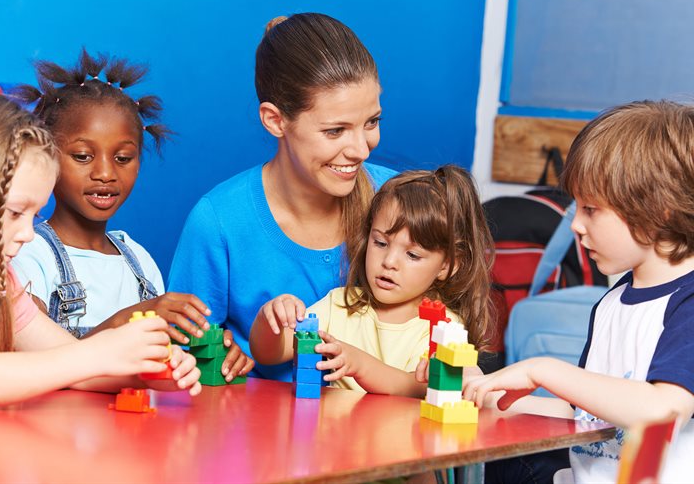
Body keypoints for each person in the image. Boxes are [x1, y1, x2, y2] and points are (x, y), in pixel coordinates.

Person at [464, 100, 694, 483]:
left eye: (590, 209)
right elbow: (587, 415)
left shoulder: (686, 304)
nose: (576, 225)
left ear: (659, 211)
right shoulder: (613, 302)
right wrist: (490, 394)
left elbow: (662, 413)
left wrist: (544, 369)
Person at [168, 13, 397, 381]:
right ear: (275, 121)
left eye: (371, 122)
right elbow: (180, 360)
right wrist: (214, 358)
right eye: (335, 130)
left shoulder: (399, 199)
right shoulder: (219, 221)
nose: (361, 149)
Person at [11, 49, 250, 382]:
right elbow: (46, 364)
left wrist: (202, 351)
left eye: (123, 158)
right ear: (47, 156)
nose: (106, 173)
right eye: (82, 156)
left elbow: (158, 359)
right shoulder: (28, 253)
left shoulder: (138, 261)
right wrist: (137, 315)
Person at [0, 91, 201, 408]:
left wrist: (147, 369)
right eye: (13, 213)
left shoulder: (1, 285)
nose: (27, 234)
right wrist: (98, 353)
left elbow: (68, 362)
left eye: (34, 215)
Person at [249, 165, 492, 396]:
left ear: (447, 266)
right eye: (381, 243)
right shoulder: (339, 305)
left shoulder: (444, 325)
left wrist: (360, 365)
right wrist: (268, 319)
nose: (389, 261)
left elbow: (416, 387)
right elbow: (270, 354)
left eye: (412, 255)